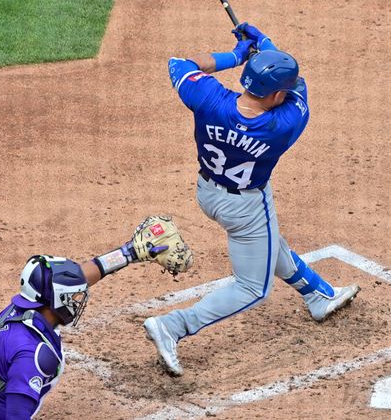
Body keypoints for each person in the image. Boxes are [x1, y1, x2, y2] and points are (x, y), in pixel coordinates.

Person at [145, 22, 359, 376]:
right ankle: (174, 326)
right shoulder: (283, 125)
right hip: (244, 207)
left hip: (207, 192)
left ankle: (318, 294)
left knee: (270, 243)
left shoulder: (209, 99)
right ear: (276, 95)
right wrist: (264, 43)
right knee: (252, 288)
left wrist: (238, 55)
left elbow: (180, 64)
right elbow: (297, 89)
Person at [0, 216, 189, 419]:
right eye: (71, 297)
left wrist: (128, 253)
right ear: (56, 300)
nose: (75, 301)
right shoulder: (33, 355)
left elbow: (77, 278)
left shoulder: (18, 311)